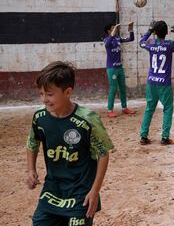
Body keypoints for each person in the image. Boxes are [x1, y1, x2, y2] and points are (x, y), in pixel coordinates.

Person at [26, 61, 114, 226]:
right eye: (41, 94)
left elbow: (103, 154)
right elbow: (32, 142)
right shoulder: (40, 117)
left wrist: (94, 191)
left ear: (67, 92)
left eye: (50, 94)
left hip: (81, 192)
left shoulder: (88, 119)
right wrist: (31, 169)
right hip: (52, 190)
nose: (44, 99)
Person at [139, 20, 174, 146]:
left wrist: (149, 30)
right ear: (166, 32)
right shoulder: (169, 45)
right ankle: (164, 137)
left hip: (151, 82)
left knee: (149, 109)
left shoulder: (151, 43)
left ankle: (143, 136)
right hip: (164, 83)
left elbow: (141, 42)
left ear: (155, 32)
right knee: (168, 108)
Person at [104, 22, 136, 118]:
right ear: (109, 31)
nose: (116, 29)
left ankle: (124, 108)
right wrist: (116, 28)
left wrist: (130, 29)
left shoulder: (118, 39)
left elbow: (131, 39)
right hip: (112, 68)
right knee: (113, 89)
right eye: (113, 28)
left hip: (119, 68)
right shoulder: (107, 40)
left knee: (122, 88)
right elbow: (108, 42)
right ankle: (110, 110)